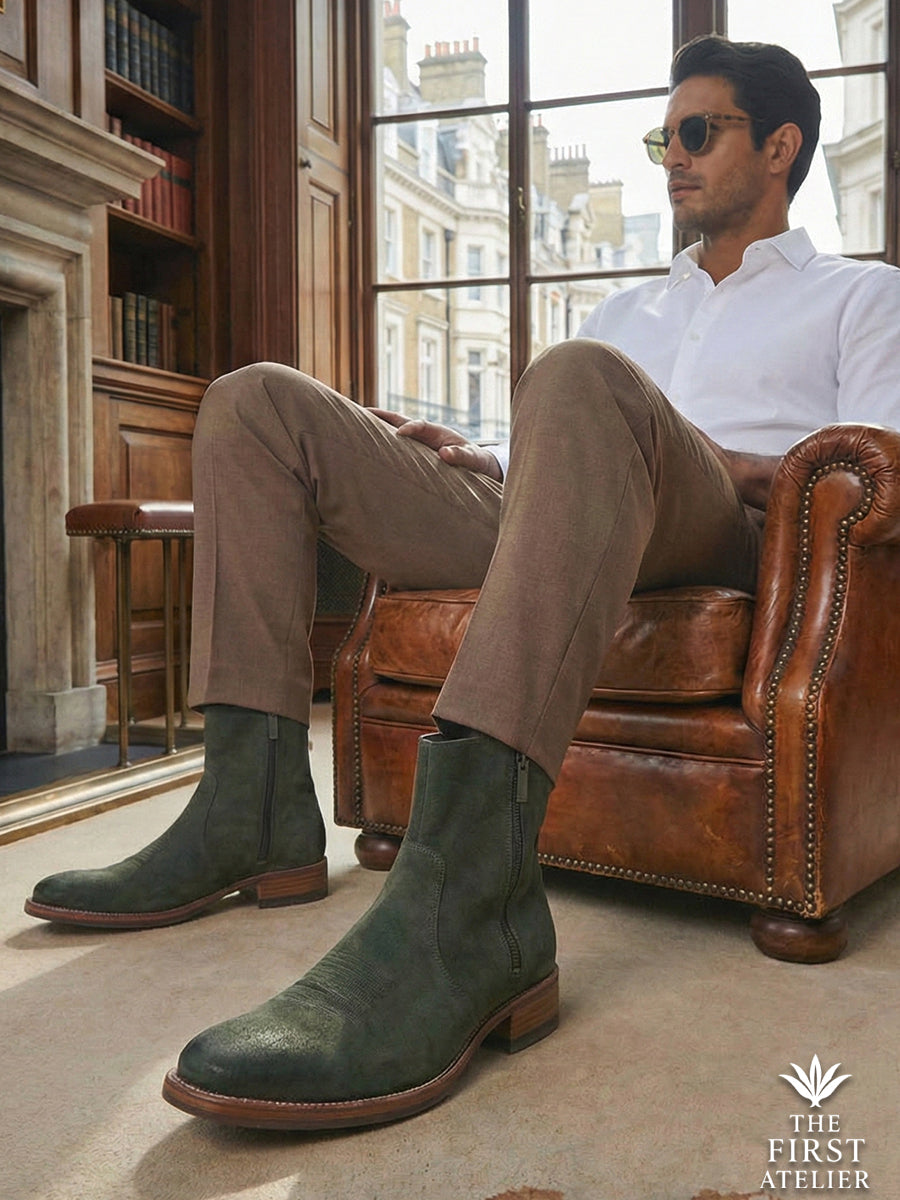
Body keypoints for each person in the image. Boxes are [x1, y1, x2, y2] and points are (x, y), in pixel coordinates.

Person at [25, 36, 900, 1129]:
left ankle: (471, 900)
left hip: (726, 533)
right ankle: (251, 809)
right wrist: (483, 459)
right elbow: (561, 451)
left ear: (780, 147)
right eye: (661, 138)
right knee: (258, 403)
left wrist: (718, 460)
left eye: (696, 132)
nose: (671, 157)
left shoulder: (861, 296)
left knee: (578, 375)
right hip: (564, 504)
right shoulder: (629, 312)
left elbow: (882, 469)